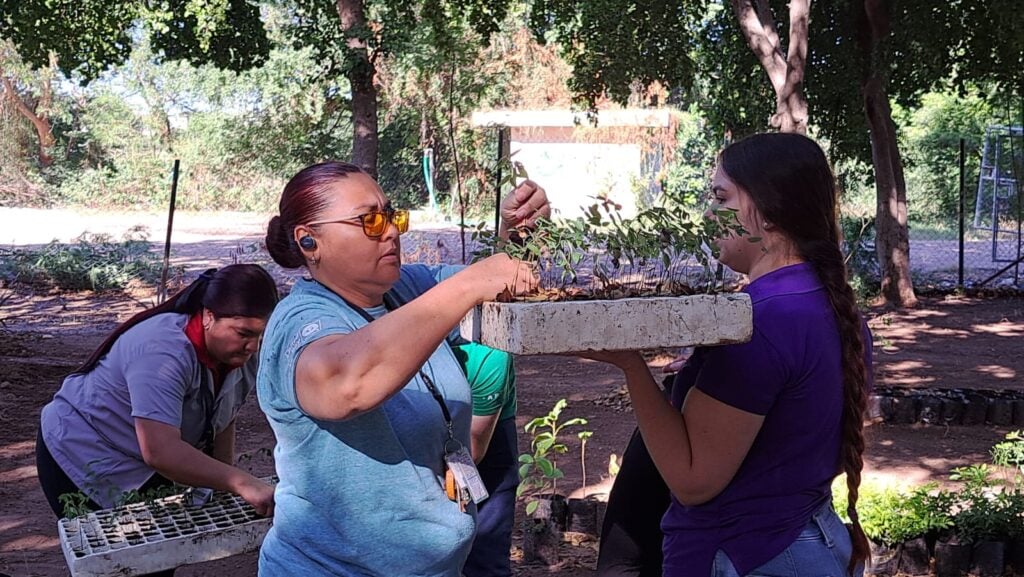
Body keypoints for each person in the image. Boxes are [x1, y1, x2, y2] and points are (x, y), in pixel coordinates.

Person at [582, 132, 873, 577]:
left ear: (770, 211)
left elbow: (693, 480)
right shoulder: (825, 302)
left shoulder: (758, 323)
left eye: (721, 197)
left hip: (752, 554)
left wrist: (631, 365)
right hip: (808, 538)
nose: (709, 214)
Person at [258, 160, 548, 576]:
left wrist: (520, 231)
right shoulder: (299, 321)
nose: (391, 230)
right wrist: (468, 285)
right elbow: (345, 385)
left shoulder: (403, 290)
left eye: (391, 215)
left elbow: (504, 282)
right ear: (309, 242)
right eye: (369, 221)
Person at [36, 264, 279, 574]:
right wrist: (242, 482)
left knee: (160, 559)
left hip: (137, 455)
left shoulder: (242, 353)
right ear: (208, 316)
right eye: (243, 333)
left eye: (260, 334)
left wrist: (224, 487)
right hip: (80, 453)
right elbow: (160, 451)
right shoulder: (162, 351)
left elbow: (223, 417)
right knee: (130, 564)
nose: (253, 346)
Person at [454, 341, 519, 577]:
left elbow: (473, 450)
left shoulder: (488, 352)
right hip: (406, 423)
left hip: (482, 437)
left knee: (485, 556)